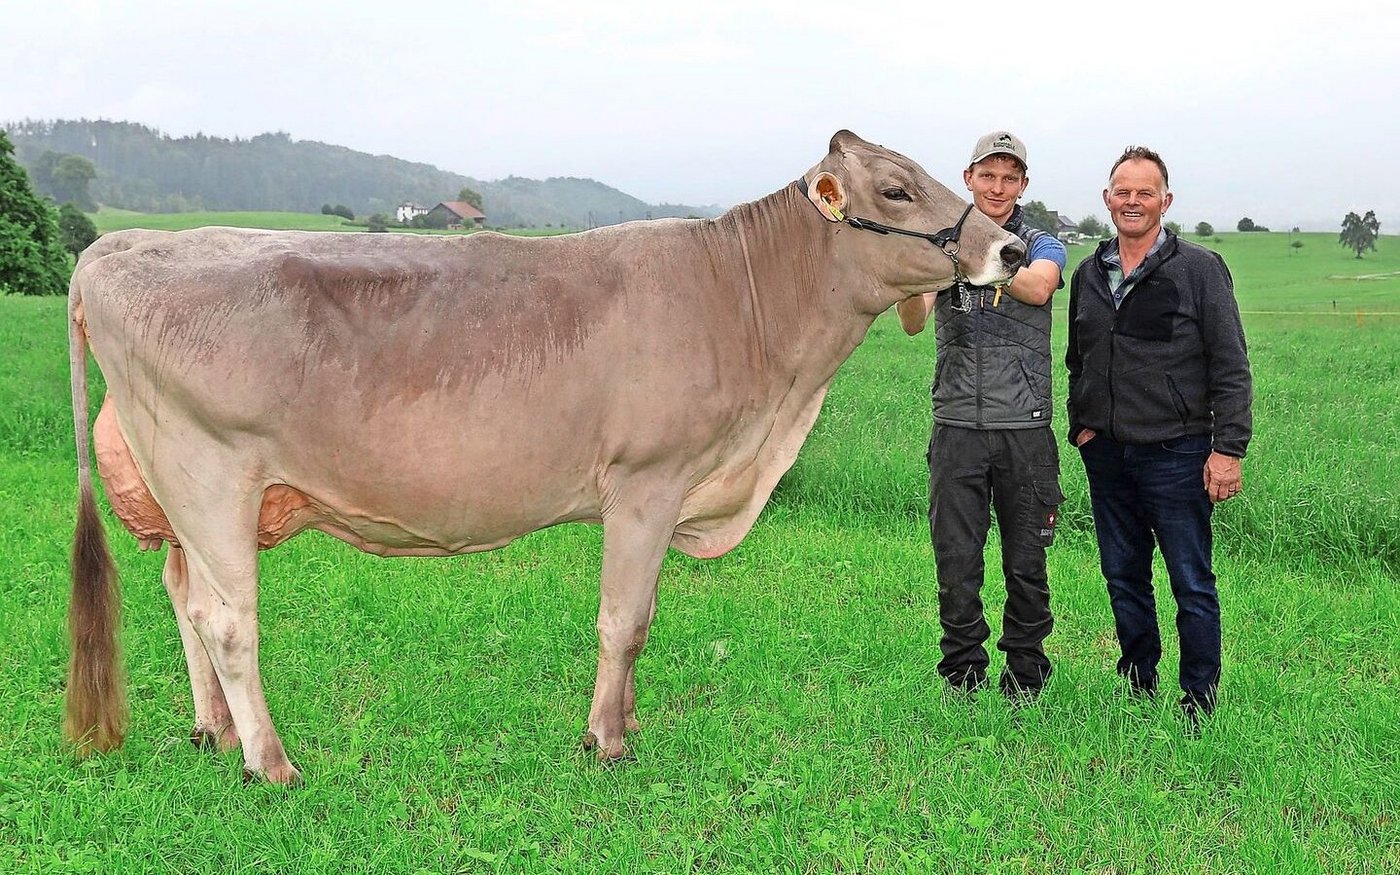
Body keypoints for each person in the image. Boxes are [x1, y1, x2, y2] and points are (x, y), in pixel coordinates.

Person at [1065, 146, 1252, 725]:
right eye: (1123, 191)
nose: (1132, 202)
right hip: (1108, 453)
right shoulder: (1089, 273)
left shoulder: (1198, 268)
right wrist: (1084, 426)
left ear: (1165, 201)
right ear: (1107, 199)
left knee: (1190, 581)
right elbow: (1079, 357)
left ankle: (1198, 700)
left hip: (1178, 451)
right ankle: (1137, 684)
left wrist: (1228, 449)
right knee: (1123, 575)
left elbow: (1230, 364)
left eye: (1145, 192)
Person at [897, 131, 1067, 699]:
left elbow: (1040, 289)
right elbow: (914, 322)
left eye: (1009, 177)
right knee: (956, 560)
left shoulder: (1042, 242)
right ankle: (962, 674)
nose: (997, 186)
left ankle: (1026, 675)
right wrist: (913, 269)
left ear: (1023, 185)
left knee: (1026, 563)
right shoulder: (944, 245)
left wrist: (977, 256)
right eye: (986, 175)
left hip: (1025, 428)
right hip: (957, 429)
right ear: (968, 179)